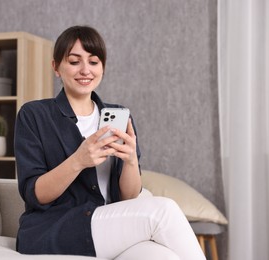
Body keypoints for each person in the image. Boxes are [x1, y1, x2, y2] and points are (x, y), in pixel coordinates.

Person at [14, 25, 205, 260]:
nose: (85, 70)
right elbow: (35, 195)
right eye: (74, 61)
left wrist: (131, 160)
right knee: (163, 210)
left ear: (102, 67)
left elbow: (129, 196)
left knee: (162, 256)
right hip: (55, 229)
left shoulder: (118, 115)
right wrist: (78, 160)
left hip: (111, 224)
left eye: (94, 62)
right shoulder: (34, 115)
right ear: (56, 67)